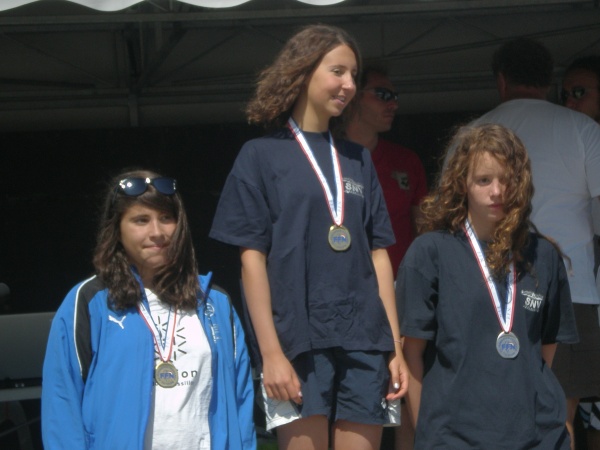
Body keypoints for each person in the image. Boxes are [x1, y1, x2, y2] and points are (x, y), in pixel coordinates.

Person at [209, 24, 408, 450]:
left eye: (354, 75)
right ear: (302, 72)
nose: (349, 85)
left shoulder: (358, 159)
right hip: (296, 341)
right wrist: (270, 354)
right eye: (338, 71)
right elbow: (251, 260)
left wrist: (394, 346)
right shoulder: (260, 156)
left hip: (364, 339)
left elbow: (379, 255)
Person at [453, 37, 600, 449]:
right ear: (549, 80)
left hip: (485, 289)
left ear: (501, 81)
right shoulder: (583, 129)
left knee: (487, 412)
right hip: (570, 289)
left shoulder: (471, 135)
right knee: (560, 413)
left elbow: (450, 216)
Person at [42, 169, 256, 450]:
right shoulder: (89, 301)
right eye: (141, 220)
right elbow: (62, 403)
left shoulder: (214, 302)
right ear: (117, 229)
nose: (157, 232)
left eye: (166, 218)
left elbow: (241, 401)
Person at [398, 123, 578, 449]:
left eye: (507, 180)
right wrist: (428, 434)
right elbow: (412, 354)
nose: (497, 191)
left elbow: (545, 353)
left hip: (536, 437)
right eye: (484, 180)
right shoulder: (430, 253)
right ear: (462, 183)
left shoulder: (544, 256)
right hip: (455, 438)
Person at [345, 64, 428, 278]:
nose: (393, 104)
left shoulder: (407, 161)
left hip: (401, 284)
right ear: (353, 96)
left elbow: (424, 232)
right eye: (383, 95)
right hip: (343, 285)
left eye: (395, 97)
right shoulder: (324, 158)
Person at [562, 54, 600, 449]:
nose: (570, 101)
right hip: (588, 288)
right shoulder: (572, 139)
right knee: (584, 413)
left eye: (579, 92)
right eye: (564, 94)